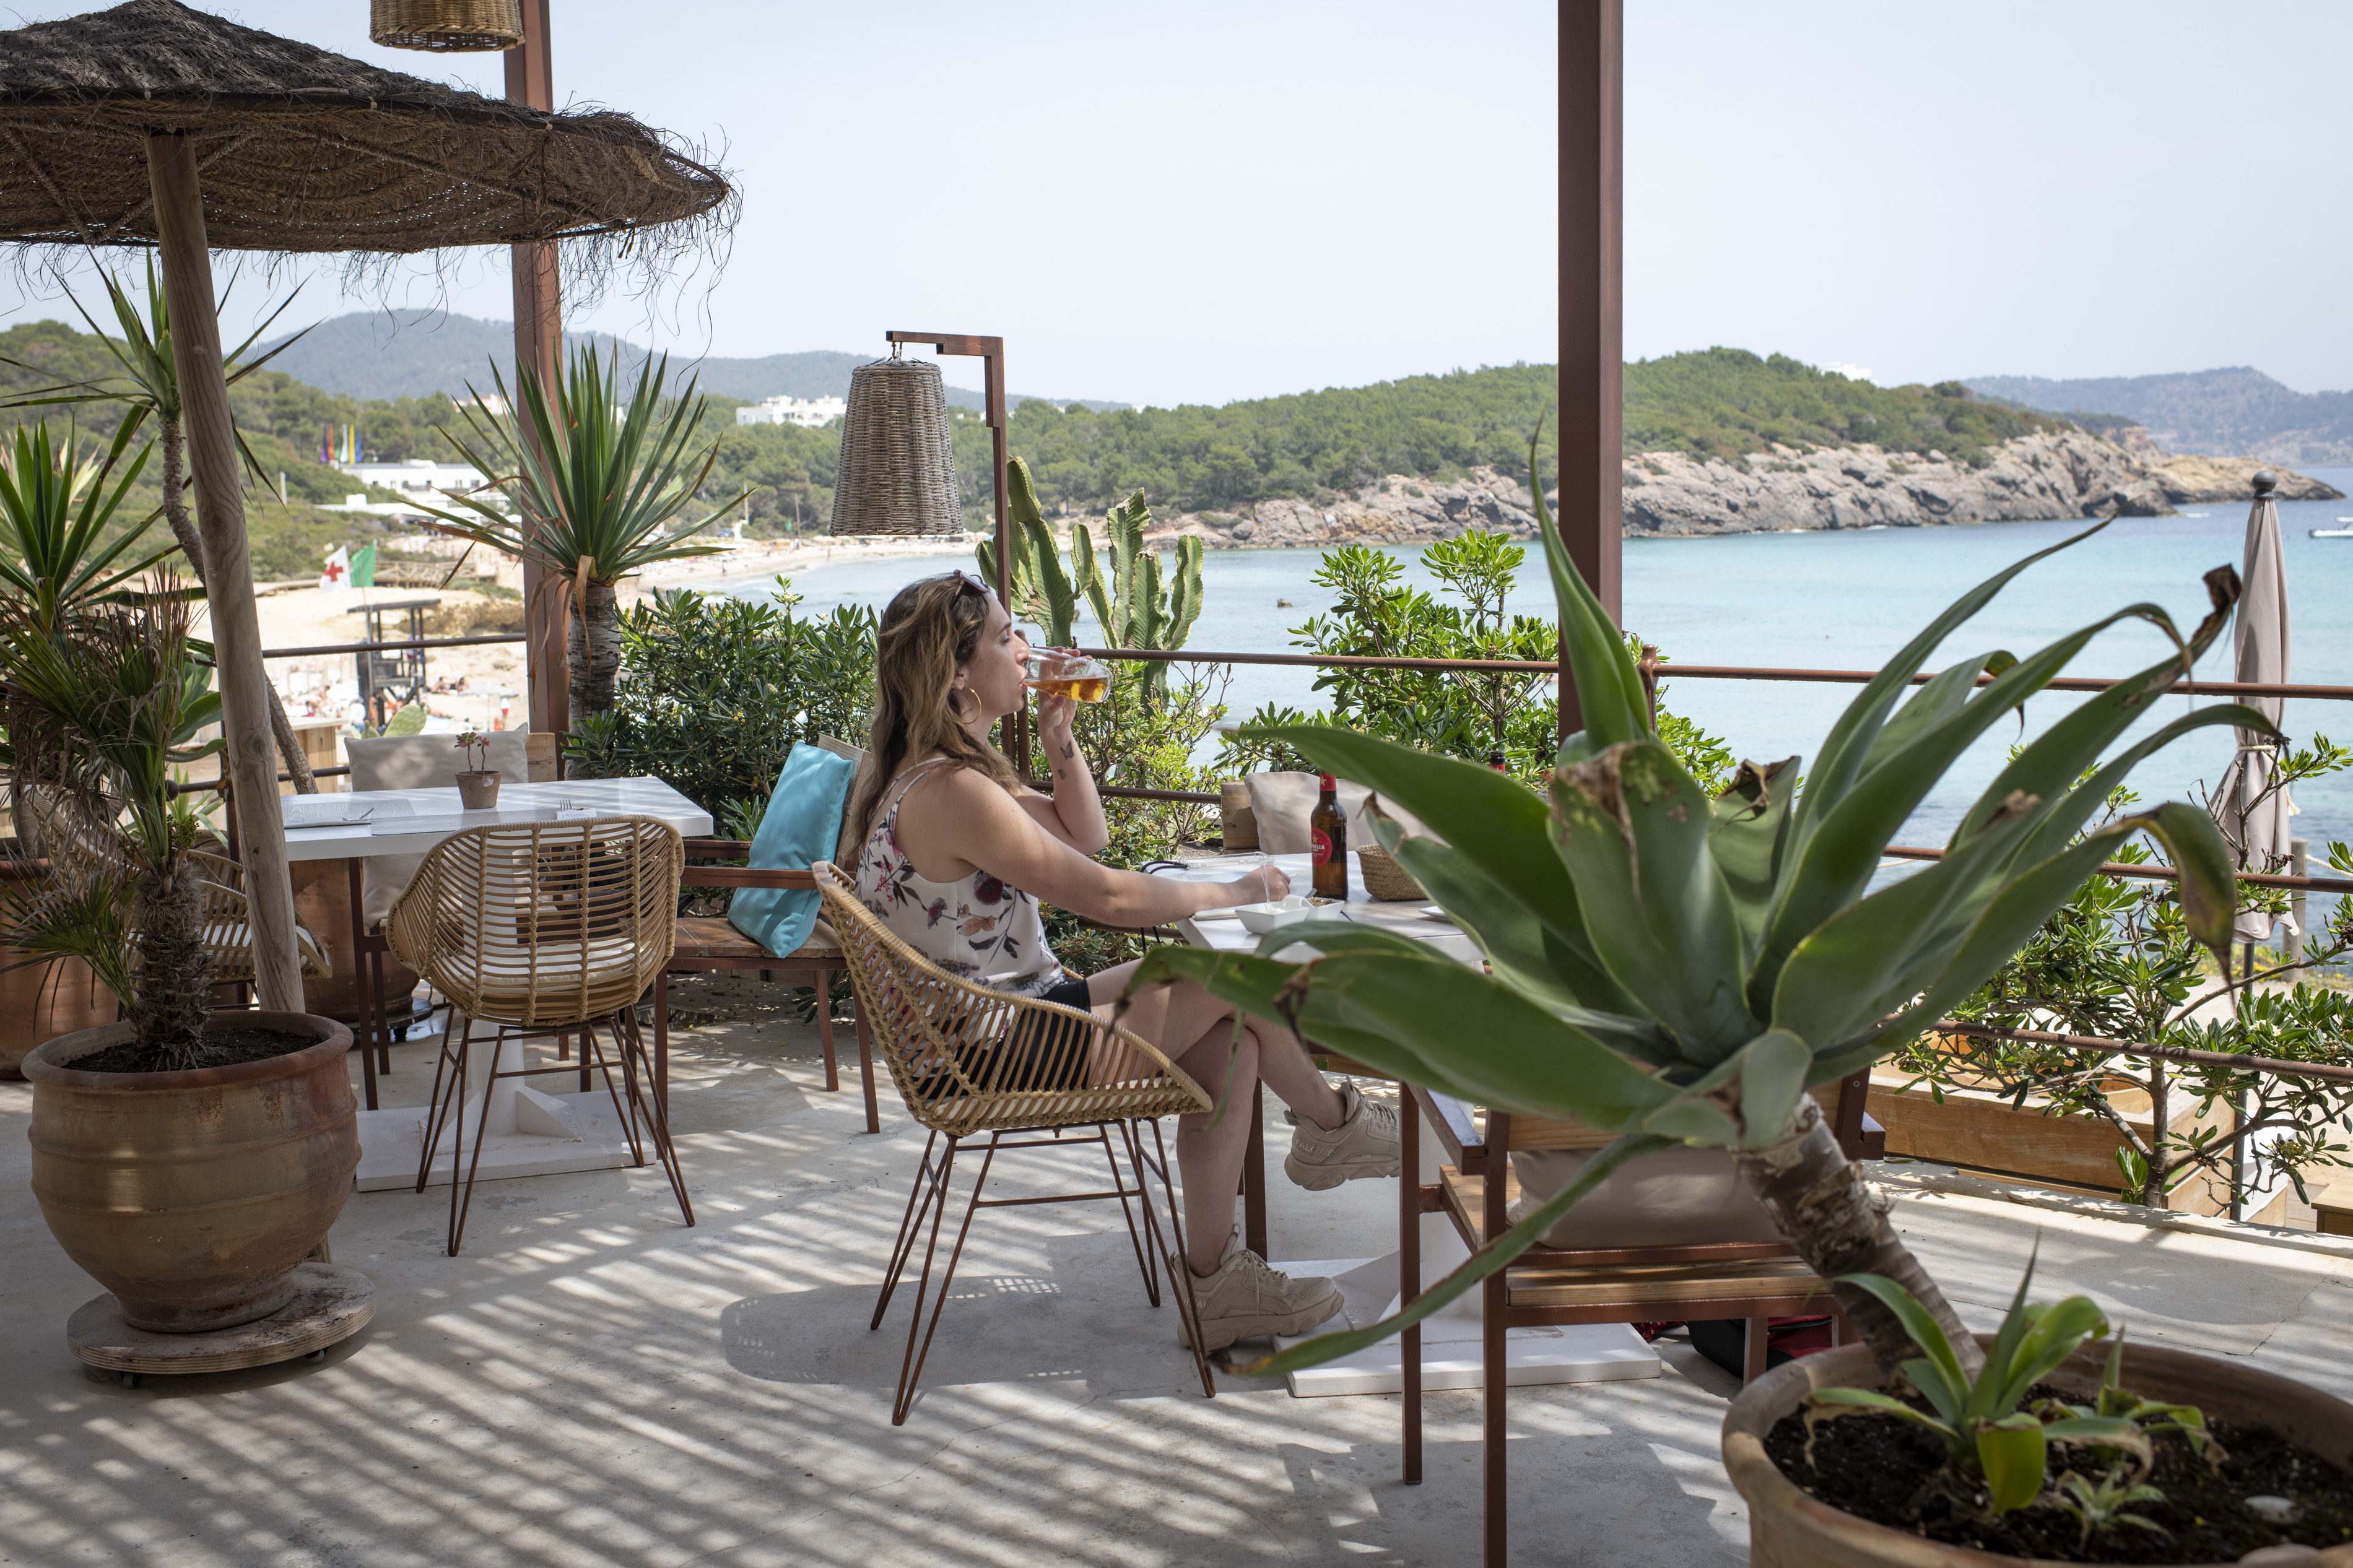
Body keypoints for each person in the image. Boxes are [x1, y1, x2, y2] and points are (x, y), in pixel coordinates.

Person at [847, 570, 1399, 1352]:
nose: (1026, 649)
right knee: (1232, 978)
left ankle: (1228, 1275)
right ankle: (1329, 1129)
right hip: (993, 1052)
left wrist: (1058, 739)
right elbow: (1106, 896)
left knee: (1226, 1028)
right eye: (1007, 637)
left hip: (1010, 1021)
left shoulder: (934, 772)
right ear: (957, 671)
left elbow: (1085, 832)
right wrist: (1235, 888)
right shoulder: (950, 791)